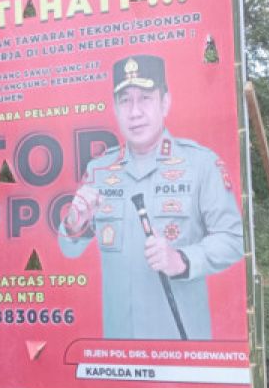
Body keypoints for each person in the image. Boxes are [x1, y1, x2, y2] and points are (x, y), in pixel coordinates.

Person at [58, 54, 244, 339]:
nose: (134, 112)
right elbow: (68, 249)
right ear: (115, 109)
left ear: (165, 102)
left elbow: (233, 240)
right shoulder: (98, 170)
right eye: (125, 101)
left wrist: (182, 260)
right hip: (120, 353)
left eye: (145, 98)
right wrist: (75, 222)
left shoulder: (201, 164)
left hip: (181, 345)